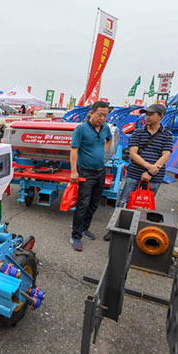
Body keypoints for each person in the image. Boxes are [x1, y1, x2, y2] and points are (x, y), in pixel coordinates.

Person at [69, 100, 112, 252]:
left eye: (105, 115)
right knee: (83, 204)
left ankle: (85, 228)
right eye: (100, 114)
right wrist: (74, 171)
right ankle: (75, 235)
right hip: (85, 172)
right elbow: (74, 150)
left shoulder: (105, 128)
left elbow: (109, 139)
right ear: (91, 113)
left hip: (100, 172)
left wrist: (102, 152)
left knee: (94, 204)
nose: (102, 118)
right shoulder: (81, 129)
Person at [115, 103, 173, 208]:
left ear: (160, 116)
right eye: (146, 114)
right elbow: (133, 154)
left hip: (155, 177)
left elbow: (166, 155)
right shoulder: (138, 132)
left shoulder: (167, 135)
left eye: (151, 114)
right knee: (123, 203)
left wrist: (150, 173)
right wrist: (149, 167)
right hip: (135, 174)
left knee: (144, 206)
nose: (147, 117)